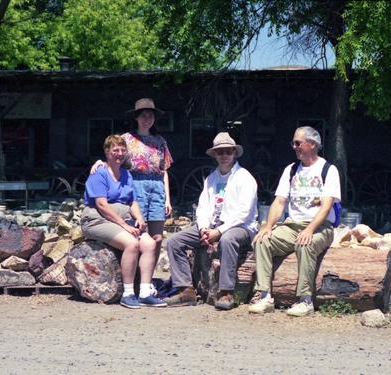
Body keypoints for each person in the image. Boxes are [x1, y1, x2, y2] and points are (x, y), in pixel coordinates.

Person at [249, 126, 341, 317]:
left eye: (298, 143)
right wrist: (267, 226)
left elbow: (326, 206)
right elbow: (279, 201)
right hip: (292, 225)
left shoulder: (328, 170)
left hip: (320, 226)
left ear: (312, 144)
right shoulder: (290, 170)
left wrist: (310, 229)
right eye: (293, 143)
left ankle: (305, 300)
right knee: (262, 240)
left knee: (305, 244)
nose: (294, 147)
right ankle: (265, 296)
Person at [164, 132, 258, 310]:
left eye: (228, 152)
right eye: (220, 152)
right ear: (214, 154)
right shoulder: (212, 178)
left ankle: (226, 292)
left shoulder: (245, 178)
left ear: (234, 153)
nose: (224, 156)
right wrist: (204, 228)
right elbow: (203, 207)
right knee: (174, 241)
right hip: (212, 226)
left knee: (227, 239)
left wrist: (218, 232)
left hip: (240, 227)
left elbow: (243, 214)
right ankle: (186, 290)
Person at [82, 135, 167, 308]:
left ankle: (144, 292)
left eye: (122, 150)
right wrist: (124, 225)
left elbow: (132, 201)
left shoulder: (127, 174)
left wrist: (140, 218)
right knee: (132, 244)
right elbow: (101, 205)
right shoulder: (99, 173)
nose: (119, 154)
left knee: (150, 244)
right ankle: (128, 293)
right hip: (97, 220)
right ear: (107, 152)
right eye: (115, 150)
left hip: (121, 219)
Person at [91, 98, 173, 275]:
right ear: (136, 118)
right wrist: (100, 162)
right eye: (143, 115)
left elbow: (164, 170)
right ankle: (133, 278)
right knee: (138, 232)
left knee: (157, 237)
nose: (147, 119)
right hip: (136, 186)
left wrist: (168, 199)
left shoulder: (160, 141)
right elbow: (115, 158)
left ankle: (148, 279)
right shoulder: (127, 139)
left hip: (157, 188)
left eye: (150, 116)